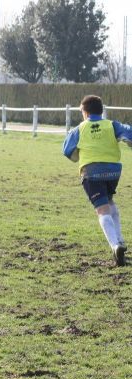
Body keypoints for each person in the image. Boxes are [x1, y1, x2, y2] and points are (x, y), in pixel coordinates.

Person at [62, 95, 132, 266]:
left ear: (85, 112)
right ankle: (120, 240)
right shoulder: (111, 125)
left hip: (91, 171)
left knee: (102, 210)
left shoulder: (79, 129)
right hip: (113, 172)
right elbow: (129, 133)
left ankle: (115, 247)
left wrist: (78, 155)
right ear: (101, 111)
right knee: (109, 201)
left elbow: (66, 150)